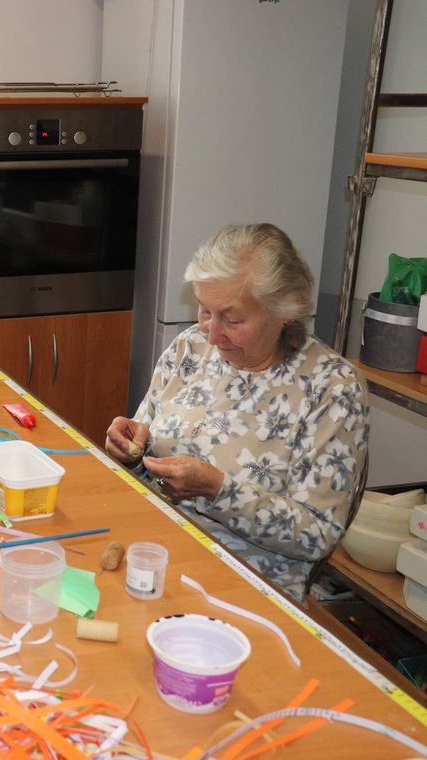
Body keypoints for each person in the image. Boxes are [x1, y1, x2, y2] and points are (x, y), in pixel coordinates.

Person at [105, 223, 368, 601]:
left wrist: (218, 490)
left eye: (232, 320)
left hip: (245, 583)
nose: (211, 335)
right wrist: (130, 449)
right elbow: (144, 438)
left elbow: (317, 534)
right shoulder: (190, 348)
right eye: (204, 310)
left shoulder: (333, 389)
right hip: (152, 548)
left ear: (285, 312)